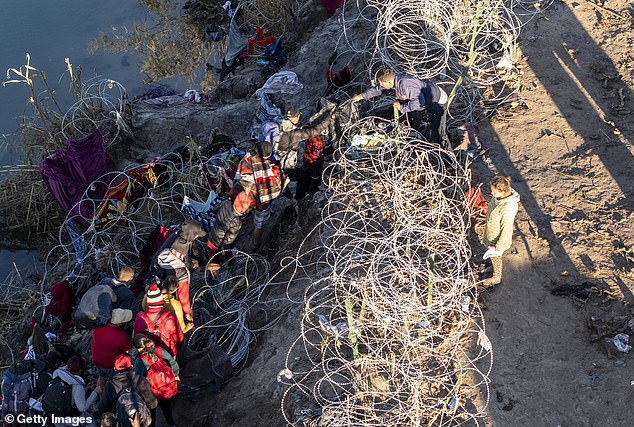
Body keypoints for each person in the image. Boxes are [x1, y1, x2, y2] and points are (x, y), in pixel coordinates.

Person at [351, 67, 449, 148]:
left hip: (436, 101)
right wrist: (361, 96)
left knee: (439, 133)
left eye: (382, 83)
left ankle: (450, 162)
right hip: (423, 98)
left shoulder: (405, 85)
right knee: (412, 115)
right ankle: (417, 133)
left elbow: (420, 102)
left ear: (388, 82)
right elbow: (378, 89)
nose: (381, 85)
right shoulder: (394, 82)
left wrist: (402, 107)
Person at [232, 141, 283, 250]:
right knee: (259, 224)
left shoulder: (246, 160)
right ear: (267, 155)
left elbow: (239, 177)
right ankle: (256, 244)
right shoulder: (269, 168)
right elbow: (274, 187)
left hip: (244, 197)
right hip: (260, 201)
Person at [156, 220, 207, 327]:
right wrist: (188, 314)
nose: (196, 237)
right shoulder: (180, 270)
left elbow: (185, 256)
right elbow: (183, 295)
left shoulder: (178, 236)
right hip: (173, 309)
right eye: (196, 235)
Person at [480, 176, 520, 287]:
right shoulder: (500, 198)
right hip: (492, 232)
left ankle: (496, 277)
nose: (491, 194)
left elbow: (506, 228)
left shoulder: (508, 207)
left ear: (502, 192)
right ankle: (492, 267)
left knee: (496, 257)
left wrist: (499, 246)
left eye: (494, 192)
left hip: (498, 238)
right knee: (492, 255)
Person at [132, 335, 180, 427]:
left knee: (151, 410)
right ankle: (170, 423)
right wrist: (175, 374)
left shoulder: (140, 361)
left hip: (150, 390)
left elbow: (138, 379)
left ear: (138, 349)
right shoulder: (159, 350)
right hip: (164, 384)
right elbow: (172, 363)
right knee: (166, 405)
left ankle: (152, 425)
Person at [97, 354, 156, 422]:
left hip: (123, 421)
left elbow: (102, 408)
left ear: (115, 369)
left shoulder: (111, 385)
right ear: (131, 366)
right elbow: (153, 404)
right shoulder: (140, 380)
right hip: (141, 420)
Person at [44, 355, 99, 426]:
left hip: (53, 414)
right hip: (68, 417)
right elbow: (82, 408)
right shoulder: (77, 385)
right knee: (91, 420)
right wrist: (95, 392)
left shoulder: (56, 373)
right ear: (80, 370)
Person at [133, 285, 183, 357]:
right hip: (168, 353)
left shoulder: (140, 318)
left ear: (148, 302)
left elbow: (137, 339)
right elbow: (179, 338)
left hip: (148, 356)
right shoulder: (170, 317)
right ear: (161, 301)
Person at [206, 191, 253, 261]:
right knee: (216, 262)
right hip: (218, 244)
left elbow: (215, 209)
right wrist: (224, 251)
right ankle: (226, 266)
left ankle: (211, 266)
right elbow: (228, 240)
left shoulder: (226, 203)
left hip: (212, 236)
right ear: (244, 209)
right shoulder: (237, 222)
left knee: (211, 256)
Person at [92, 308, 133, 381]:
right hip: (110, 365)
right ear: (120, 324)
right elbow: (129, 349)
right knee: (114, 383)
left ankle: (98, 389)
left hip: (97, 360)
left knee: (102, 379)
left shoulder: (97, 326)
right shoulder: (120, 336)